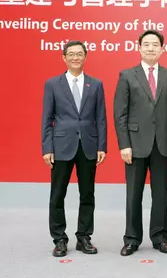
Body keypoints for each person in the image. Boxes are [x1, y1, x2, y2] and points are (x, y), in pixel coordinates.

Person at [113, 30, 167, 256]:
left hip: (163, 143)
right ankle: (132, 239)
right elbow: (120, 114)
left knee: (160, 193)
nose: (151, 48)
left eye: (155, 44)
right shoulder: (127, 75)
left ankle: (160, 237)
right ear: (139, 48)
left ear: (162, 49)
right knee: (133, 194)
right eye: (146, 44)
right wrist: (124, 144)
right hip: (134, 144)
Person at [41, 40, 108, 257]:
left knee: (87, 194)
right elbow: (47, 118)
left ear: (85, 57)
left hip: (88, 145)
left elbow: (101, 118)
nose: (75, 58)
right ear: (64, 57)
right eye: (71, 54)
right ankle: (59, 239)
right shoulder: (52, 84)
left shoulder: (95, 84)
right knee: (57, 194)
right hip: (61, 146)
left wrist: (102, 146)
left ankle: (84, 237)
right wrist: (47, 147)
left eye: (79, 54)